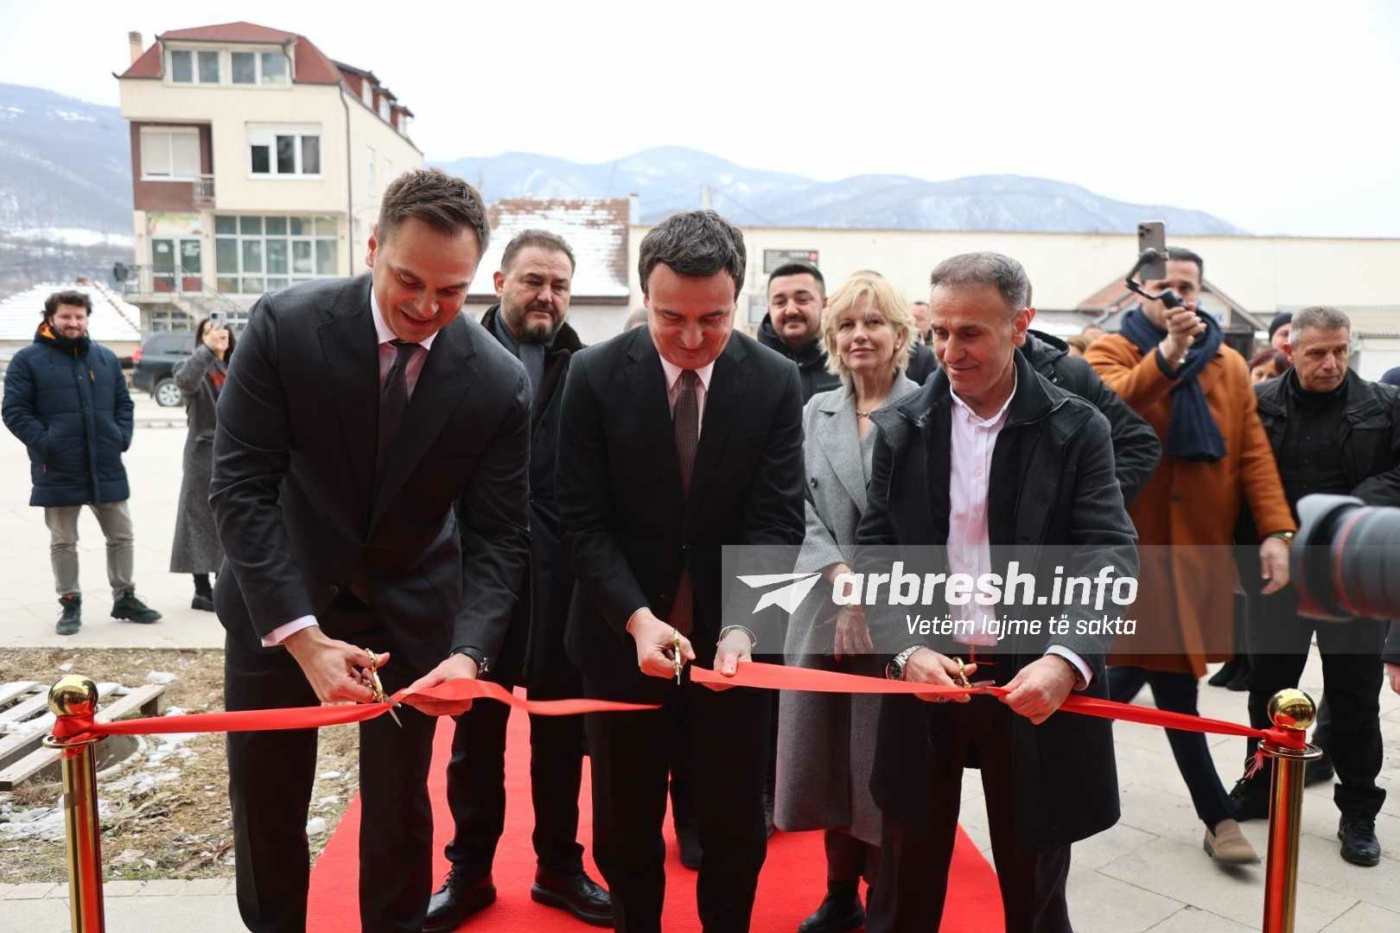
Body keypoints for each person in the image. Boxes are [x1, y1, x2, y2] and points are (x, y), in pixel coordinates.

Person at [210, 168, 531, 933]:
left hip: (410, 609)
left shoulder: (496, 380)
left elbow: (499, 536)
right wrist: (301, 635)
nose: (425, 307)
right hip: (279, 596)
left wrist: (470, 653)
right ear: (373, 247)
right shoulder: (286, 327)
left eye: (450, 291)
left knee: (397, 812)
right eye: (408, 280)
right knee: (266, 801)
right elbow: (241, 489)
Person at [859, 252, 1137, 932]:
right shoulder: (902, 426)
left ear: (1021, 325)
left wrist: (1067, 658)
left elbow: (1108, 553)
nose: (950, 351)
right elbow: (875, 548)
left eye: (971, 333)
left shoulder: (1076, 428)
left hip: (1033, 681)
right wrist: (905, 648)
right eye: (939, 332)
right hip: (930, 678)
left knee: (1034, 887)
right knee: (903, 882)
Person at [556, 209, 805, 932]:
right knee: (625, 831)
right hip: (621, 642)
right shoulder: (594, 375)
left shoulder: (774, 380)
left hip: (735, 653)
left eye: (714, 318)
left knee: (735, 829)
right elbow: (582, 521)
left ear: (739, 300)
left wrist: (744, 626)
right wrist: (636, 618)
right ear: (645, 297)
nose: (693, 339)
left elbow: (777, 521)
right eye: (672, 318)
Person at [1085, 246, 1295, 865]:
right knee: (1169, 688)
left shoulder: (1227, 364)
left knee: (1127, 681)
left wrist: (1276, 532)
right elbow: (1110, 407)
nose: (1182, 296)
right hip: (1128, 555)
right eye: (1169, 285)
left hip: (1194, 557)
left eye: (1191, 286)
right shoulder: (1110, 350)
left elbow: (1251, 452)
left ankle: (1041, 768)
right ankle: (1218, 819)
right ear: (1142, 292)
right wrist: (1169, 355)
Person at [425, 230, 610, 930]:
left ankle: (559, 868)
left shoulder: (587, 368)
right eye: (533, 280)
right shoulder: (455, 358)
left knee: (561, 738)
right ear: (499, 281)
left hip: (564, 585)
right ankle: (469, 871)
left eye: (559, 285)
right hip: (478, 583)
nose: (546, 296)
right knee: (476, 740)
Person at [1228, 307, 1399, 867]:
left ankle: (1359, 811)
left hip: (1354, 576)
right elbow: (1233, 479)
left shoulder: (1385, 406)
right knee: (1268, 688)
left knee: (1354, 698)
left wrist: (1341, 511)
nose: (1332, 363)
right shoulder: (1257, 404)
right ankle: (1260, 785)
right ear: (1290, 351)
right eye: (1318, 352)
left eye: (1341, 351)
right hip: (1277, 575)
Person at [775, 274, 919, 933]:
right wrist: (839, 576)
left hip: (899, 618)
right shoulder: (815, 411)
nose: (860, 335)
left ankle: (885, 896)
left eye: (874, 322)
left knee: (883, 765)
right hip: (823, 610)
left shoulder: (929, 411)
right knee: (829, 759)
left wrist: (871, 593)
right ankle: (839, 894)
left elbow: (928, 521)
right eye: (848, 325)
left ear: (900, 334)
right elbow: (793, 505)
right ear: (832, 339)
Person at [2, 289, 161, 634]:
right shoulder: (27, 360)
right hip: (58, 465)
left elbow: (124, 404)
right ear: (50, 318)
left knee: (122, 535)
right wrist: (47, 443)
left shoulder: (104, 358)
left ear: (87, 319)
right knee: (64, 540)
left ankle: (125, 597)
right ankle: (70, 602)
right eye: (66, 316)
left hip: (105, 462)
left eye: (79, 316)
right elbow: (14, 411)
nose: (73, 322)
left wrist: (120, 436)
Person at [1020, 324, 1160, 506]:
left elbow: (1138, 442)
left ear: (1021, 322)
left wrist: (1086, 506)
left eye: (976, 332)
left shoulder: (1074, 374)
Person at [170, 316, 233, 612]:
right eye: (209, 332)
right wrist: (206, 351)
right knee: (198, 519)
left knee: (229, 520)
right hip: (203, 455)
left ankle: (223, 585)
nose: (218, 335)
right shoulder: (192, 367)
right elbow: (185, 381)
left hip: (234, 455)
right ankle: (201, 589)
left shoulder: (236, 367)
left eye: (221, 329)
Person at [762, 262, 842, 401]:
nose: (791, 310)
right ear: (769, 309)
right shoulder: (749, 365)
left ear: (824, 304)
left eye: (802, 300)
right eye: (780, 302)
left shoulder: (845, 361)